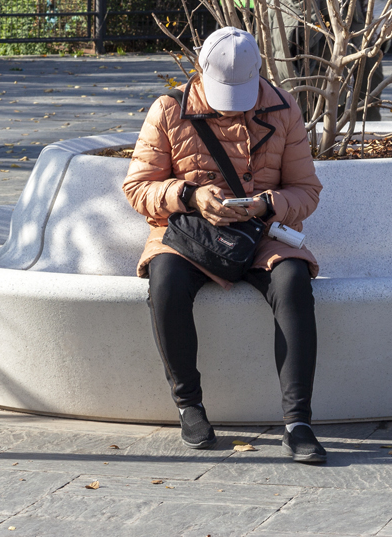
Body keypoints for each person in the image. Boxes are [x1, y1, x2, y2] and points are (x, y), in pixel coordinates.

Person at [122, 26, 327, 463]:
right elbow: (138, 187)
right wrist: (189, 196)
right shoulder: (169, 109)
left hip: (260, 232)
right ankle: (189, 406)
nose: (233, 104)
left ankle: (299, 422)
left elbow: (306, 191)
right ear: (200, 71)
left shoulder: (283, 108)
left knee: (293, 280)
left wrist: (267, 204)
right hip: (187, 231)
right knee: (164, 280)